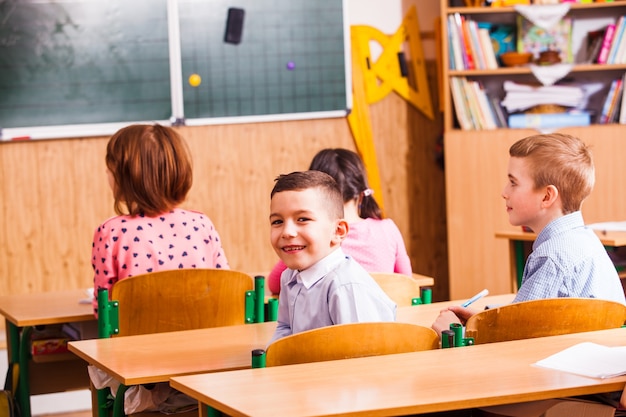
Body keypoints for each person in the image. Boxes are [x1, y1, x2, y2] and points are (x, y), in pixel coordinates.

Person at [433, 133, 626, 336]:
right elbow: (527, 321)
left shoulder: (551, 257)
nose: (504, 192)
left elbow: (514, 340)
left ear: (546, 196)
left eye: (513, 182)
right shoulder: (587, 240)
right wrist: (484, 319)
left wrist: (454, 333)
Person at [91, 124, 229, 316]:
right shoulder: (202, 225)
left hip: (134, 345)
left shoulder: (111, 233)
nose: (107, 173)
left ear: (126, 176)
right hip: (201, 341)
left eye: (110, 167)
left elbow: (103, 311)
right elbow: (225, 290)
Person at [268, 170, 396, 343]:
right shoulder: (288, 277)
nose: (287, 232)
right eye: (277, 222)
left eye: (303, 219)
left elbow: (364, 357)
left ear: (338, 231)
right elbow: (285, 327)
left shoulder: (345, 287)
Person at [267, 148, 412, 295]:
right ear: (362, 196)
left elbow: (274, 284)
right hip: (389, 317)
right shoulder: (388, 229)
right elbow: (407, 282)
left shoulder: (320, 239)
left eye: (303, 219)